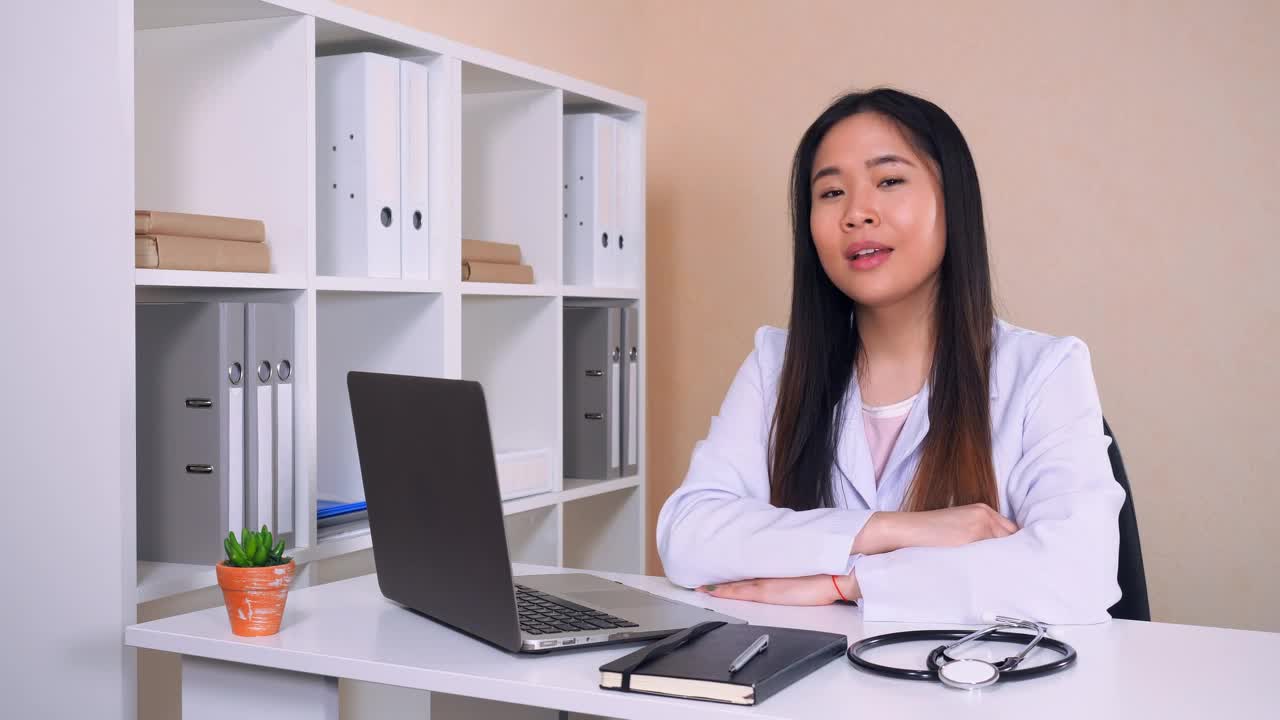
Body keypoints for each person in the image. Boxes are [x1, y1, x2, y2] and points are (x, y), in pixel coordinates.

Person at [656, 87, 1124, 625]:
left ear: (952, 201)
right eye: (831, 193)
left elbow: (1077, 572)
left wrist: (849, 583)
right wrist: (890, 529)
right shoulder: (776, 363)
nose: (857, 213)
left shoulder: (1046, 370)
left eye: (889, 181)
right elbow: (688, 535)